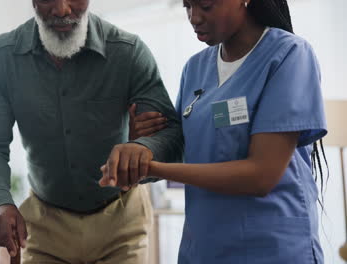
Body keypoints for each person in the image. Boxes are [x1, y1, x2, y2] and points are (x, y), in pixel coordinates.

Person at [100, 0, 328, 263]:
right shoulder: (195, 69)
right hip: (204, 250)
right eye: (187, 6)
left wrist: (153, 168)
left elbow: (262, 176)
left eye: (206, 5)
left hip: (271, 249)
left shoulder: (290, 54)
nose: (194, 17)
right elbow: (180, 147)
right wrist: (141, 148)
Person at [0, 0, 183, 263]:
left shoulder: (128, 53)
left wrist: (144, 150)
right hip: (44, 229)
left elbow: (170, 137)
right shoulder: (1, 57)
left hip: (121, 226)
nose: (61, 10)